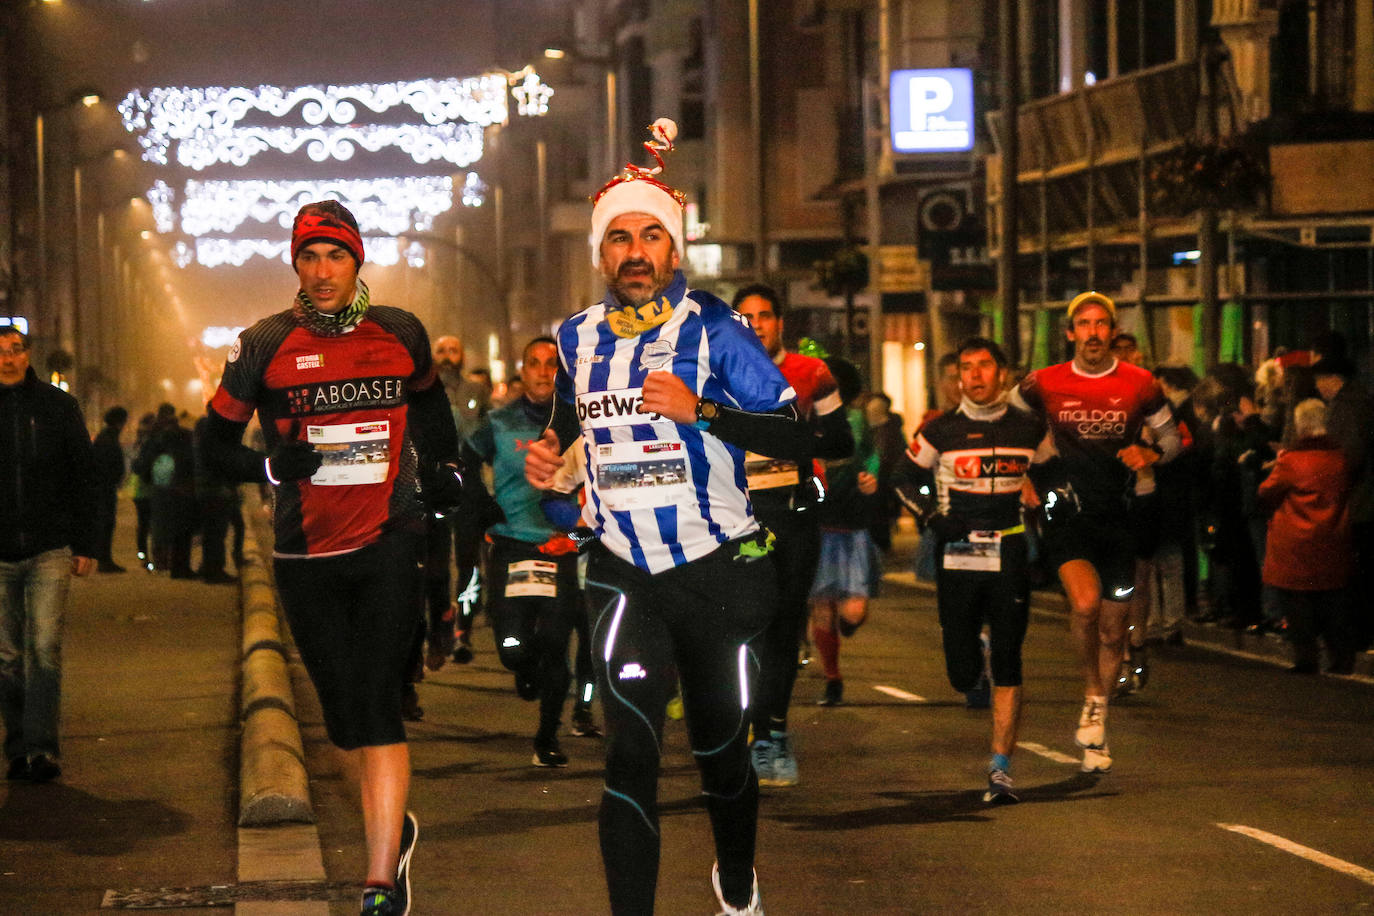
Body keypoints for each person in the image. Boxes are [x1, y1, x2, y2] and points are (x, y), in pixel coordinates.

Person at [523, 119, 808, 916]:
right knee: (630, 756)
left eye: (653, 235)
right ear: (600, 254)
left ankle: (739, 880)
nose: (637, 252)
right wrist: (550, 470)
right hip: (623, 576)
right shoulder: (574, 341)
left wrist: (707, 409)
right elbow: (567, 454)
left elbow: (801, 435)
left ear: (675, 251)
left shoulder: (716, 330)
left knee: (721, 751)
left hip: (715, 572)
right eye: (620, 238)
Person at [201, 200, 465, 916]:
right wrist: (269, 465)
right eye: (309, 258)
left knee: (379, 703)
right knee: (344, 717)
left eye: (335, 257)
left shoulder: (401, 331)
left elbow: (436, 419)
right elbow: (212, 446)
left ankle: (379, 881)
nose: (322, 273)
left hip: (390, 536)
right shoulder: (262, 345)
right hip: (304, 553)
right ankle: (393, 829)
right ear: (295, 264)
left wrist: (447, 472)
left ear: (357, 261)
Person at [1013, 291, 1180, 774]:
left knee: (1113, 630)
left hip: (1121, 519)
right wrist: (1021, 472)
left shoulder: (1140, 383)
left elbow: (1174, 437)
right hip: (1068, 516)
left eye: (1101, 324)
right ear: (1070, 333)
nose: (1092, 333)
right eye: (1083, 324)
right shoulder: (1042, 384)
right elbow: (1005, 424)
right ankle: (1091, 692)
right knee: (1085, 606)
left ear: (1111, 330)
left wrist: (1152, 455)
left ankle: (1097, 716)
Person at [896, 337, 1051, 803]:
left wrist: (1048, 499)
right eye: (968, 368)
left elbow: (1055, 474)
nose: (977, 375)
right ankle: (972, 652)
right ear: (957, 378)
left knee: (1009, 658)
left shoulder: (1029, 428)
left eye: (986, 366)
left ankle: (1001, 768)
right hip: (958, 555)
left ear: (1003, 373)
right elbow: (902, 478)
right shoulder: (941, 432)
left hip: (1008, 553)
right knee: (963, 675)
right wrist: (932, 517)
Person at [732, 283, 853, 788]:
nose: (756, 324)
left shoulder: (811, 373)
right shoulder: (715, 371)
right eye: (746, 317)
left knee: (783, 626)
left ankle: (772, 735)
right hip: (735, 514)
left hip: (791, 512)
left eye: (764, 315)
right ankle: (738, 727)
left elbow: (842, 438)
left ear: (781, 323)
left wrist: (792, 442)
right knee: (742, 625)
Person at [460, 336, 598, 766]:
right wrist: (480, 504)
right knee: (512, 645)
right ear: (522, 371)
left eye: (551, 363)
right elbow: (464, 459)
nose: (543, 371)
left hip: (561, 548)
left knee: (557, 642)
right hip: (511, 546)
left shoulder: (581, 423)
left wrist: (578, 538)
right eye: (535, 363)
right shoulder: (499, 422)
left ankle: (547, 738)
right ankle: (524, 665)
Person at [0, 326, 97, 783]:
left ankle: (41, 749)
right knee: (6, 656)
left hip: (49, 549)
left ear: (28, 355)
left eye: (15, 350)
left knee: (43, 649)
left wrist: (88, 544)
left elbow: (84, 476)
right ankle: (17, 746)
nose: (8, 359)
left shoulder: (57, 408)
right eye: (0, 352)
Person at [1257, 398, 1355, 673]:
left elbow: (1267, 491)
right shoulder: (1339, 457)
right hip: (1332, 535)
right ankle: (1341, 658)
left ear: (1302, 425)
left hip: (1295, 540)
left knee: (1297, 601)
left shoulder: (1292, 460)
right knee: (1331, 599)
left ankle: (1306, 659)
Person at [809, 357, 881, 708]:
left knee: (852, 612)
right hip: (817, 522)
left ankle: (844, 628)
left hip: (852, 522)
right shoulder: (804, 416)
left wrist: (871, 477)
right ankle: (832, 679)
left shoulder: (855, 419)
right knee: (822, 607)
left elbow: (871, 456)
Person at [430, 335, 490, 664]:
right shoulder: (421, 391)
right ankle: (438, 628)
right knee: (436, 564)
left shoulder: (477, 391)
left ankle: (463, 630)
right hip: (432, 489)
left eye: (454, 350)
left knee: (469, 561)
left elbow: (488, 432)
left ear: (463, 356)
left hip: (468, 488)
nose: (448, 357)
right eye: (442, 351)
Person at [1312, 355, 1374, 649]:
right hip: (1360, 499)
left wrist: (1328, 475)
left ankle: (1359, 634)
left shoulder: (1348, 405)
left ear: (1331, 378)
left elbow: (1350, 454)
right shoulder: (1358, 400)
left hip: (1358, 500)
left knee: (1357, 569)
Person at [134, 403, 196, 578]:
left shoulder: (153, 436)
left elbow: (142, 464)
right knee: (181, 528)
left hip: (160, 488)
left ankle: (161, 562)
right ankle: (179, 566)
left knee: (159, 525)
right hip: (182, 487)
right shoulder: (184, 435)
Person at [91, 406, 129, 573]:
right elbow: (107, 464)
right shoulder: (108, 438)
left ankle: (105, 559)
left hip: (104, 487)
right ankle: (104, 560)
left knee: (106, 523)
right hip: (105, 488)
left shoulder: (105, 436)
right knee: (106, 523)